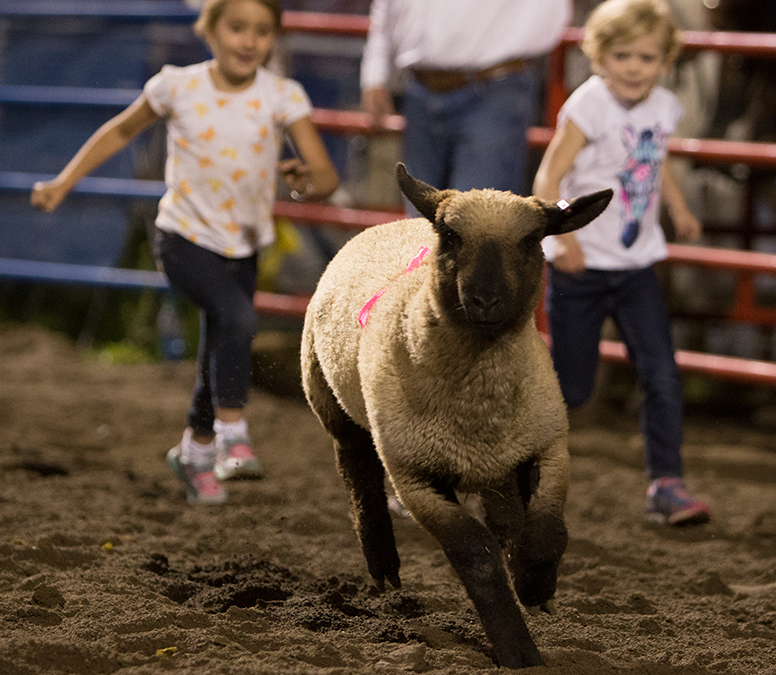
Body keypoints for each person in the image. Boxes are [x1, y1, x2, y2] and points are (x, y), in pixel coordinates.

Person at [31, 0, 339, 505]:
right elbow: (121, 130)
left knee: (219, 344)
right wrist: (64, 182)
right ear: (209, 30)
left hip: (243, 248)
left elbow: (325, 175)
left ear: (274, 39)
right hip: (182, 238)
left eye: (262, 31)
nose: (249, 41)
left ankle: (194, 452)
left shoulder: (283, 96)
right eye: (237, 27)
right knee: (237, 318)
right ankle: (232, 433)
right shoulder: (176, 85)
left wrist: (309, 183)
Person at [533, 0, 711, 526]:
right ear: (598, 57)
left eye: (648, 58)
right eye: (622, 56)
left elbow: (655, 160)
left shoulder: (664, 106)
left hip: (637, 267)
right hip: (580, 271)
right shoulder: (587, 109)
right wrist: (560, 240)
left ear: (666, 61)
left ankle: (667, 484)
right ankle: (515, 469)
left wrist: (677, 208)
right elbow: (547, 178)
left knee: (661, 373)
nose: (635, 67)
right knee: (572, 387)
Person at [360, 0, 572, 199]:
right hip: (421, 89)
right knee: (423, 224)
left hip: (493, 87)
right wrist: (374, 72)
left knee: (475, 223)